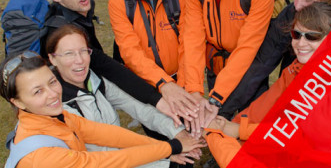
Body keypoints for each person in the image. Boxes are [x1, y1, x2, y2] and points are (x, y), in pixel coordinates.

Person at [40, 0, 194, 126]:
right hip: (75, 106)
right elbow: (106, 66)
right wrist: (158, 97)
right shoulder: (64, 32)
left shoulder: (76, 13)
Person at [0, 52, 205, 168]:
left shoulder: (55, 117)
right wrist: (171, 148)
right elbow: (105, 162)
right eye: (37, 91)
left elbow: (111, 136)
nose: (53, 94)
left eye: (52, 82)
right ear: (18, 102)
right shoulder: (41, 158)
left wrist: (170, 148)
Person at [204, 2, 331, 168]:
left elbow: (298, 136)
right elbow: (264, 106)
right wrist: (228, 125)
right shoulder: (296, 69)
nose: (301, 43)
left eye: (312, 36)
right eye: (296, 34)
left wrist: (231, 131)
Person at [45, 24, 201, 166]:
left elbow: (139, 108)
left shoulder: (98, 82)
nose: (79, 60)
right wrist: (166, 153)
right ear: (52, 58)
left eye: (83, 51)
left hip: (125, 156)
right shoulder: (55, 107)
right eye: (69, 54)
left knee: (184, 161)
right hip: (105, 163)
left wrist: (178, 133)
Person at [184, 0, 275, 130]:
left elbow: (248, 47)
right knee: (218, 124)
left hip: (250, 71)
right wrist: (194, 91)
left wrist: (217, 97)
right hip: (216, 67)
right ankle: (224, 157)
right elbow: (193, 40)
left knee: (251, 124)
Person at [108, 0, 197, 125]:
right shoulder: (119, 3)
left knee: (188, 129)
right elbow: (130, 53)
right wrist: (164, 84)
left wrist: (181, 89)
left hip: (180, 80)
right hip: (144, 85)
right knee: (157, 132)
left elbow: (188, 46)